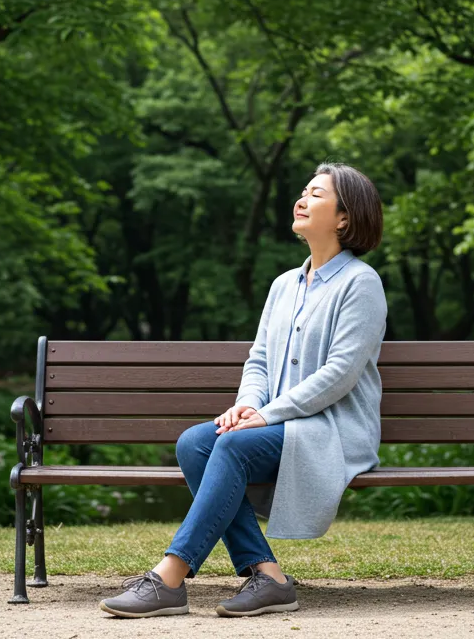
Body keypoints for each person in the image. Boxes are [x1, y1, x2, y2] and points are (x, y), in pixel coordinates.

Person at [99, 162, 388, 618]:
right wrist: (248, 404)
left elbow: (340, 374)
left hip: (331, 430)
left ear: (344, 217)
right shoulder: (284, 285)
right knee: (196, 442)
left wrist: (267, 415)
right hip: (279, 424)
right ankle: (268, 576)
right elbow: (260, 360)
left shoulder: (361, 283)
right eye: (303, 190)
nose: (301, 199)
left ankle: (170, 576)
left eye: (316, 194)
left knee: (231, 446)